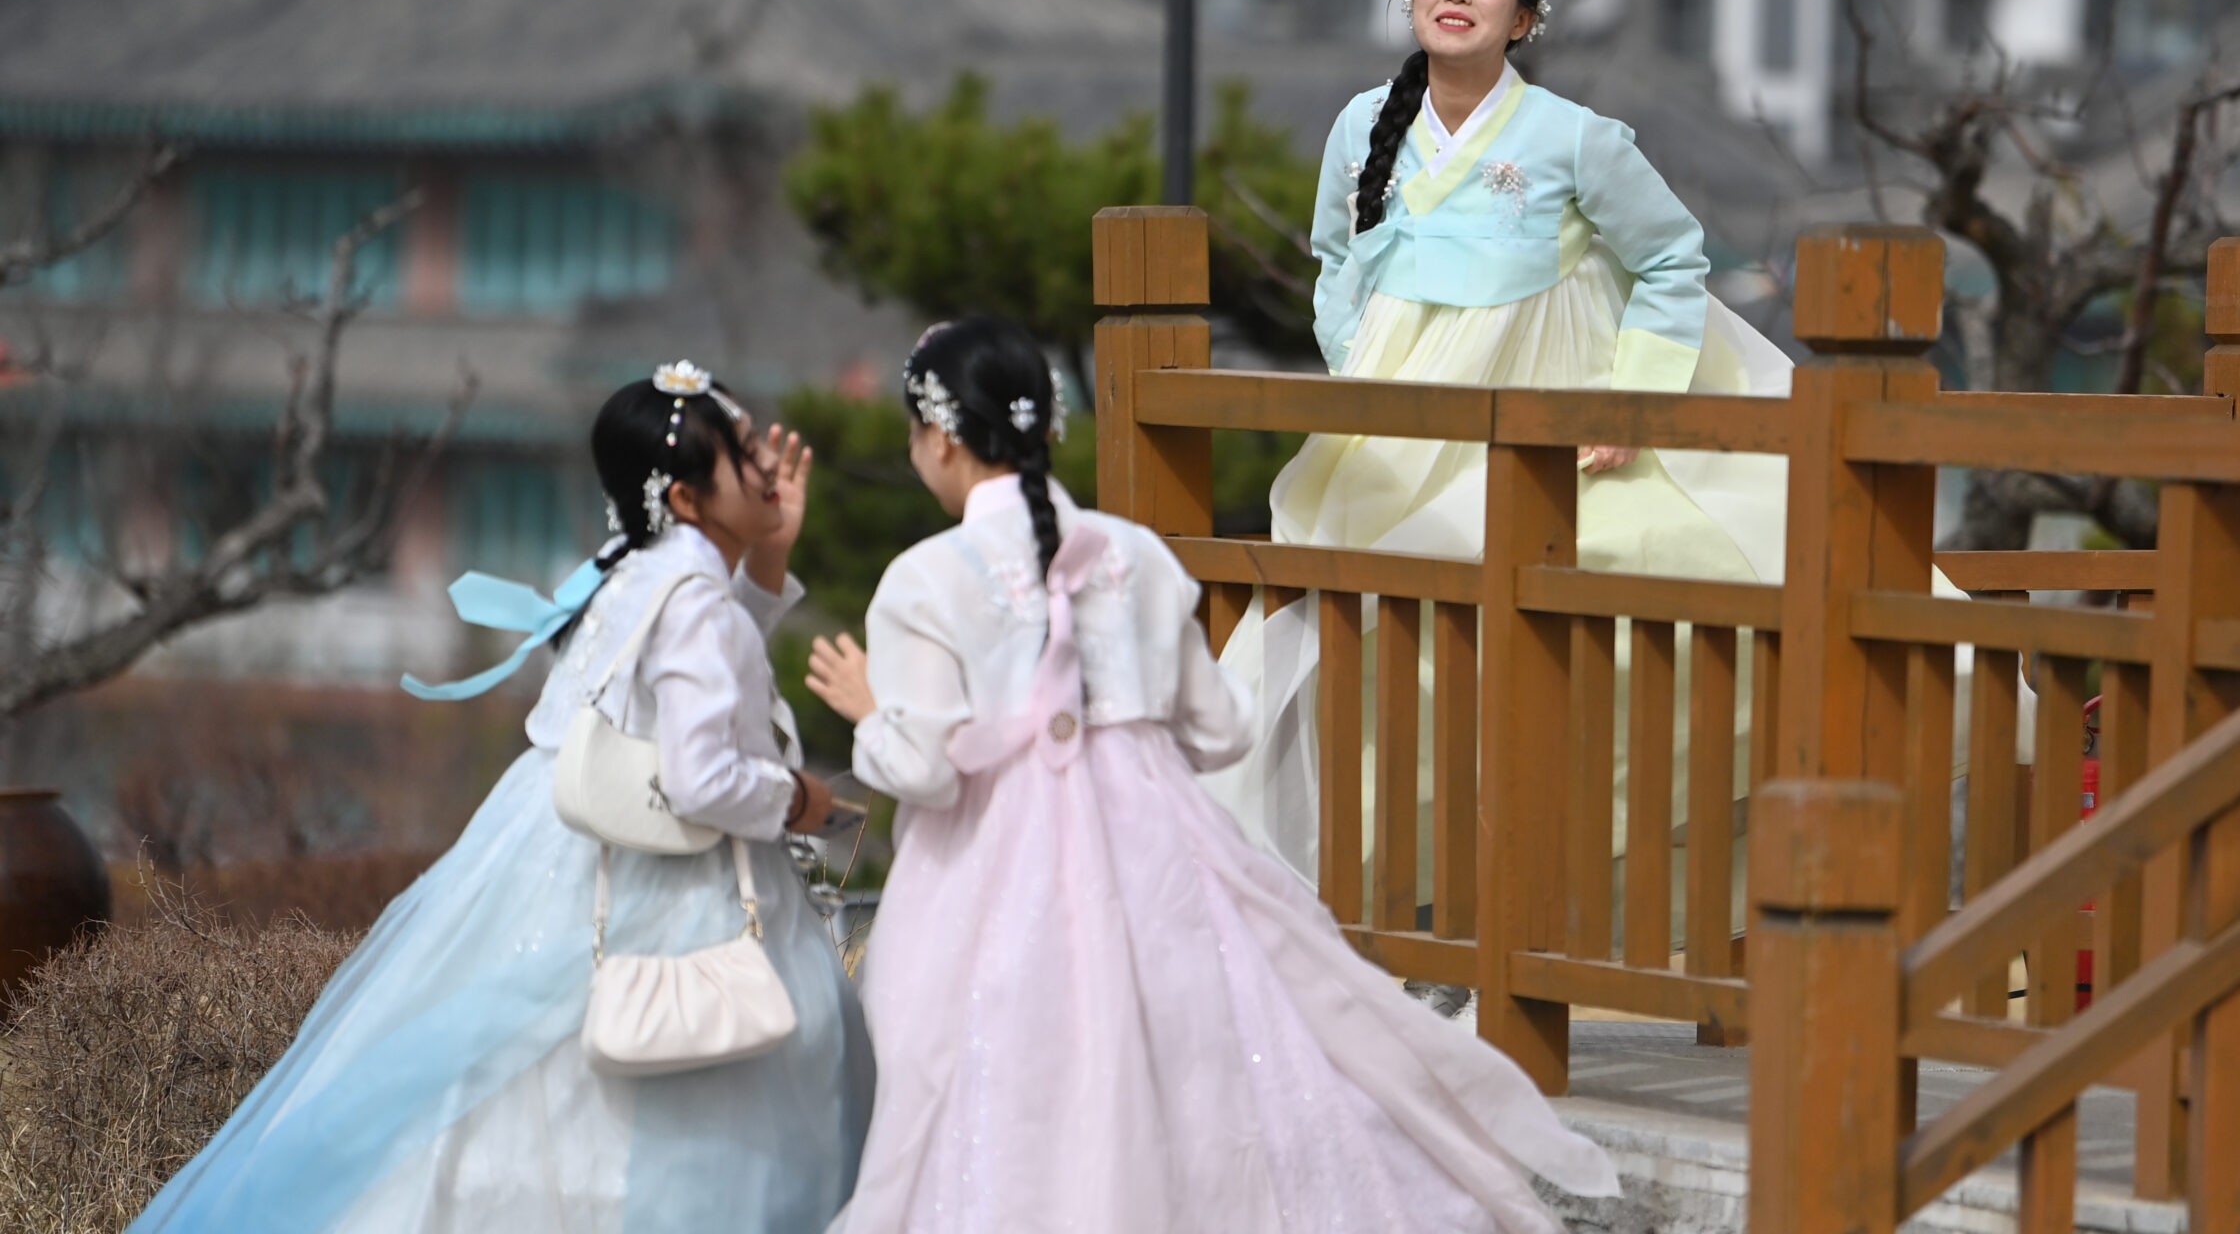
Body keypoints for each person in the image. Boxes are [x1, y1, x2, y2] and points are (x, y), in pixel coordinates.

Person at [803, 318, 1617, 1234]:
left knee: (999, 1109)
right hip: (1156, 866)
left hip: (992, 886)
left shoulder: (924, 580)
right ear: (1049, 426)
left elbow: (925, 769)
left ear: (941, 437)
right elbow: (1221, 728)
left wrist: (870, 711)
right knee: (1190, 1096)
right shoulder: (1131, 554)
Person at [129, 362, 871, 1234]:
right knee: (689, 1106)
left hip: (556, 847)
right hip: (663, 877)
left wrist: (769, 556)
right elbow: (701, 775)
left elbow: (703, 673)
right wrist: (800, 801)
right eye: (745, 453)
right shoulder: (693, 601)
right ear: (684, 497)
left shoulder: (631, 570)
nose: (769, 466)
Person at [1206, 0, 1795, 894]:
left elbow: (1670, 258)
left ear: (1522, 20)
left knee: (1568, 609)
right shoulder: (1362, 124)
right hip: (1394, 421)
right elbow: (1336, 261)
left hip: (1536, 410)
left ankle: (1543, 865)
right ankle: (1356, 879)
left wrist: (1630, 402)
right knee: (1352, 623)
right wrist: (1360, 365)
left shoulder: (1575, 136)